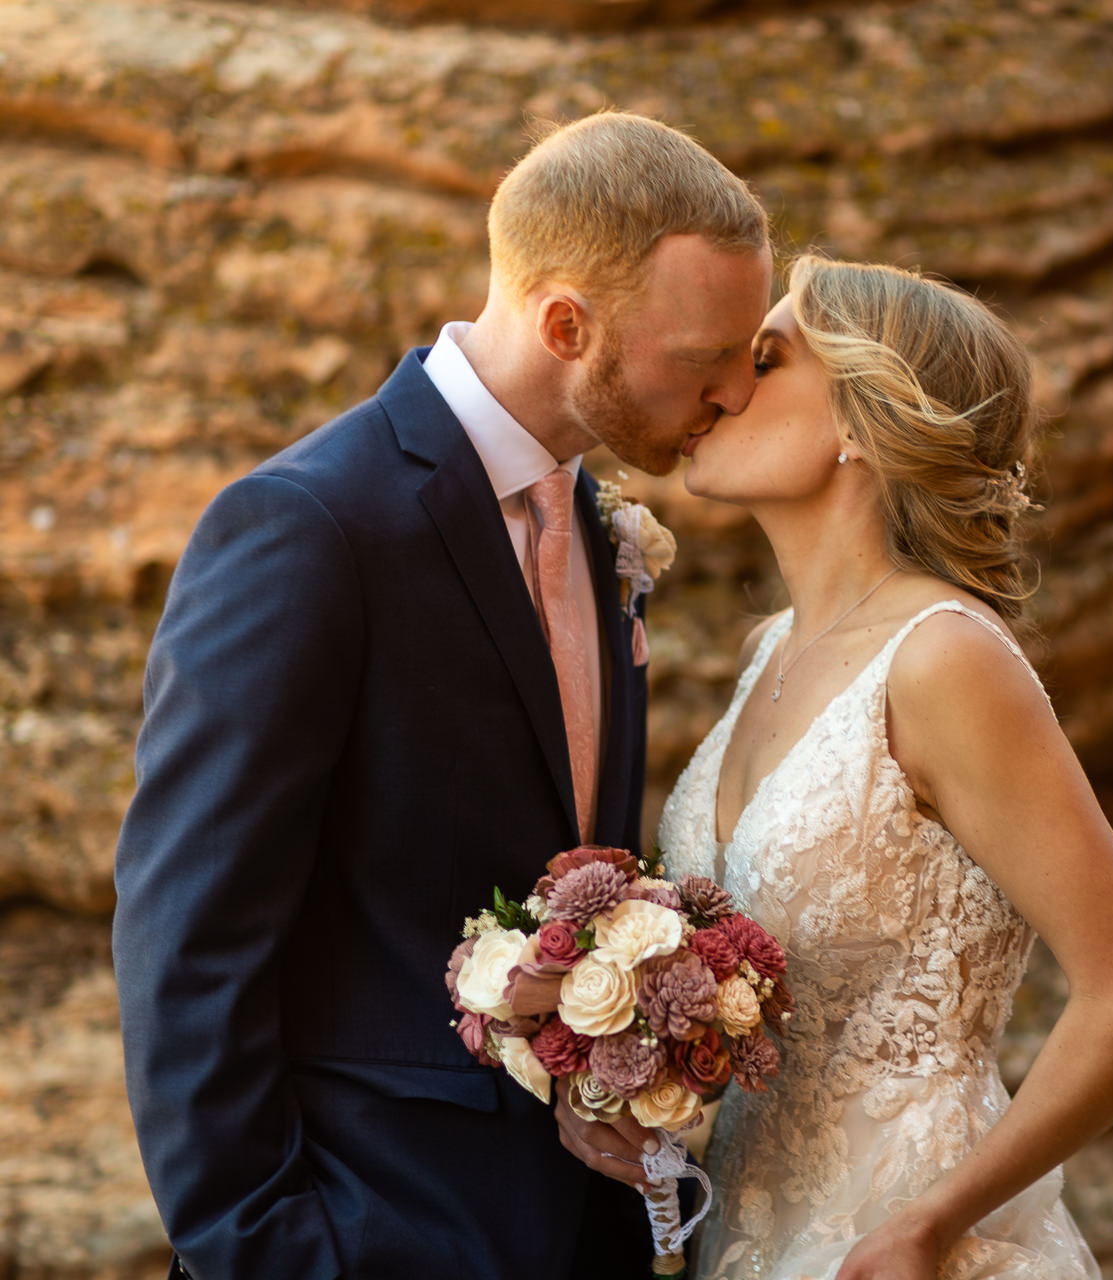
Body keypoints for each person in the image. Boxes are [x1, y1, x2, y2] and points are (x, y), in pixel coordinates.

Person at [112, 112, 772, 1279]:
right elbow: (187, 937)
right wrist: (268, 1248)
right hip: (368, 1224)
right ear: (567, 323)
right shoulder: (310, 526)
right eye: (702, 356)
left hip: (575, 1226)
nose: (735, 390)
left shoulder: (595, 520)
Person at [649, 256, 1113, 1279]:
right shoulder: (766, 651)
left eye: (765, 359)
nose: (722, 387)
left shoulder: (945, 658)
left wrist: (930, 1221)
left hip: (910, 1246)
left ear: (861, 421)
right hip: (742, 1240)